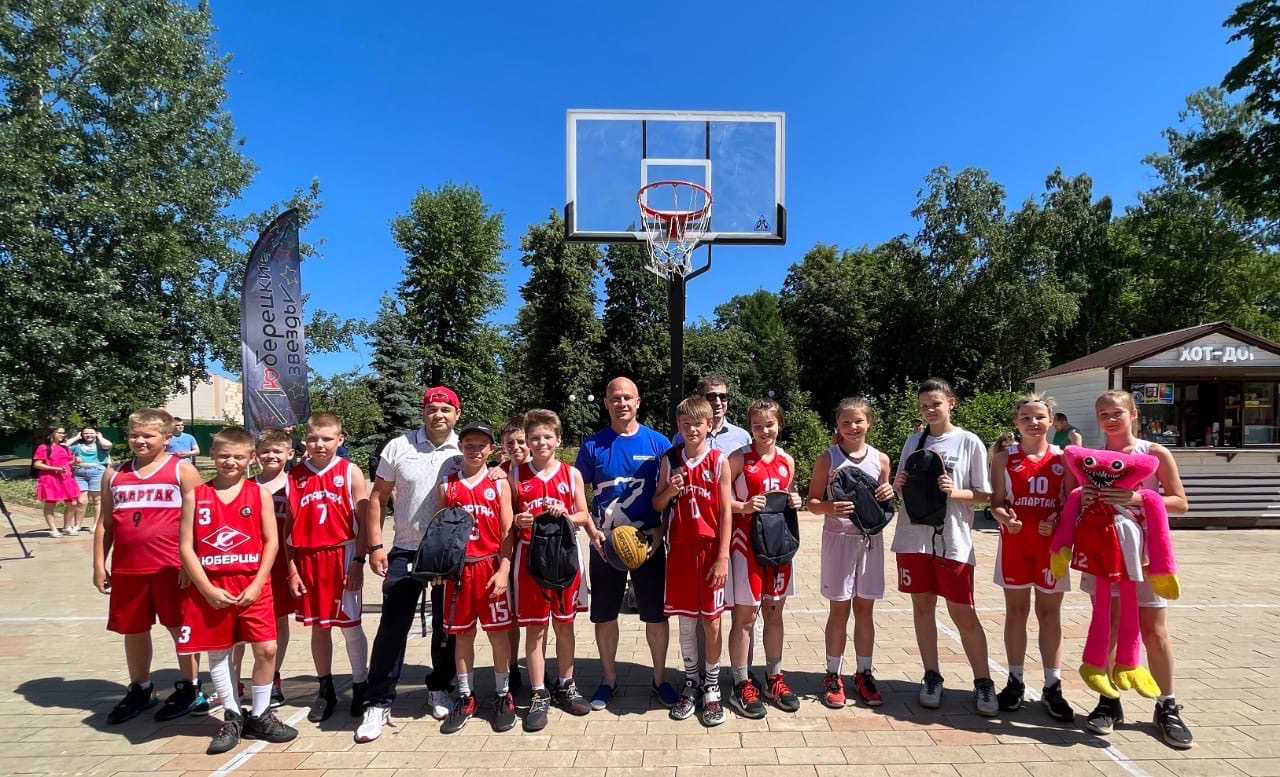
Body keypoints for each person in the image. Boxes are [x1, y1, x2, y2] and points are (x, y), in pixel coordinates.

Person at [1078, 390, 1193, 749]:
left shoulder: (1153, 453)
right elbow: (1075, 502)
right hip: (1106, 556)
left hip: (1147, 557)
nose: (1110, 419)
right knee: (1109, 627)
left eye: (1116, 412)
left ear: (1133, 414)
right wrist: (1085, 500)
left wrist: (1139, 497)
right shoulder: (1091, 458)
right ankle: (1109, 701)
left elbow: (1180, 503)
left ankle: (1167, 705)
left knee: (1154, 632)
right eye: (1103, 414)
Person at [178, 427, 297, 754]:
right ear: (212, 456)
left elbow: (272, 542)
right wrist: (205, 588)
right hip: (212, 586)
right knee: (219, 651)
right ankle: (232, 715)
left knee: (267, 648)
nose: (231, 462)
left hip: (252, 583)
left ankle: (260, 713)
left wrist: (258, 582)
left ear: (251, 458)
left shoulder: (258, 494)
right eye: (224, 456)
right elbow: (186, 547)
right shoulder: (195, 496)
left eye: (239, 457)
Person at [356, 387, 464, 743]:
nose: (439, 415)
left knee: (447, 626)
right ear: (423, 411)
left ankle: (439, 687)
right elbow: (378, 497)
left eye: (446, 409)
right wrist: (375, 546)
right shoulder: (399, 446)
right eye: (432, 408)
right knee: (392, 625)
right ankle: (378, 701)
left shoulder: (464, 448)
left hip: (447, 551)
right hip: (405, 547)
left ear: (457, 413)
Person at [94, 408, 209, 724]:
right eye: (134, 435)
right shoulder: (114, 474)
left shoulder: (181, 471)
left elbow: (202, 521)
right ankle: (141, 688)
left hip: (171, 567)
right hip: (128, 568)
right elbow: (105, 524)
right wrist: (99, 565)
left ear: (167, 438)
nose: (140, 440)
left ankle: (190, 686)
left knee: (180, 627)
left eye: (148, 435)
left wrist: (192, 563)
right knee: (133, 629)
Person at [891, 378, 998, 716]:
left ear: (952, 403)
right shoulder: (913, 441)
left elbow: (985, 495)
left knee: (962, 611)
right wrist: (899, 483)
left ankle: (983, 682)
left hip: (953, 541)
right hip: (914, 537)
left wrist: (956, 492)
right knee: (922, 607)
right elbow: (901, 486)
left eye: (936, 403)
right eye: (924, 405)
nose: (929, 409)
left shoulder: (968, 441)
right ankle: (931, 676)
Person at [574, 377, 676, 711]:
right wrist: (592, 531)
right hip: (606, 544)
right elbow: (575, 492)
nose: (622, 403)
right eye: (615, 398)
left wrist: (660, 533)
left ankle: (660, 679)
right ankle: (608, 680)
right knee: (605, 616)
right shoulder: (593, 445)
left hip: (647, 543)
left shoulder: (658, 443)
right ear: (606, 403)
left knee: (656, 616)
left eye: (627, 397)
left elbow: (670, 495)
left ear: (638, 401)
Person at [511, 409, 603, 731]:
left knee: (565, 626)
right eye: (535, 437)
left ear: (558, 440)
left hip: (564, 557)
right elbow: (507, 517)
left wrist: (566, 513)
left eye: (547, 436)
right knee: (535, 629)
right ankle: (539, 692)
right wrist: (518, 519)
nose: (541, 442)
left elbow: (583, 514)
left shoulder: (571, 473)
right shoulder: (515, 474)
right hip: (530, 559)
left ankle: (566, 684)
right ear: (527, 441)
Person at [988, 394, 1074, 723]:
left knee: (1050, 614)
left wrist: (1057, 522)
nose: (1033, 422)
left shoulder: (1065, 458)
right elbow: (996, 503)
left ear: (1051, 420)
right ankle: (1015, 681)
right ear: (1016, 422)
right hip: (1015, 545)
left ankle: (1053, 685)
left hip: (1051, 549)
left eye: (1039, 417)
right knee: (1016, 611)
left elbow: (1072, 505)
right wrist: (1004, 519)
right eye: (1025, 417)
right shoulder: (1003, 458)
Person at [808, 398, 893, 709]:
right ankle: (833, 674)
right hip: (839, 540)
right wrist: (829, 507)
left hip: (870, 541)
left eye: (858, 421)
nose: (852, 426)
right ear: (837, 425)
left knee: (865, 611)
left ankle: (864, 672)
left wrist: (889, 491)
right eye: (846, 422)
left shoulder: (881, 459)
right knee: (839, 610)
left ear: (869, 422)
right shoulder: (827, 459)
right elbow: (812, 502)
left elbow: (883, 500)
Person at [653, 395, 733, 727]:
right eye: (685, 423)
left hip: (711, 550)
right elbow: (657, 505)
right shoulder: (670, 460)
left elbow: (726, 512)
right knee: (686, 622)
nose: (691, 429)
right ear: (678, 425)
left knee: (712, 623)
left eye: (698, 423)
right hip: (681, 551)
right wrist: (670, 491)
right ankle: (691, 682)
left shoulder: (719, 460)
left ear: (709, 425)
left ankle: (712, 685)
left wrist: (723, 556)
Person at [285, 412, 370, 726]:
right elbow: (288, 527)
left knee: (350, 625)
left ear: (340, 439)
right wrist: (291, 569)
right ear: (305, 441)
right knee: (319, 627)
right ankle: (325, 688)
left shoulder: (349, 471)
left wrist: (359, 561)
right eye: (313, 439)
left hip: (343, 554)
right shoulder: (294, 476)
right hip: (308, 557)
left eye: (326, 438)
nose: (319, 444)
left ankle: (360, 684)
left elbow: (365, 522)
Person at [436, 421, 517, 734]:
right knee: (463, 636)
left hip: (489, 566)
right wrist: (439, 569)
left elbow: (507, 531)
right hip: (458, 572)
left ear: (491, 449)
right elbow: (439, 530)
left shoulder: (499, 484)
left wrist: (504, 569)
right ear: (460, 447)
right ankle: (466, 696)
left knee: (498, 635)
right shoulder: (447, 484)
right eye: (469, 445)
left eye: (481, 445)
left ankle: (503, 694)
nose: (475, 450)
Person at [725, 398, 803, 718]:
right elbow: (719, 500)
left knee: (774, 614)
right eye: (757, 425)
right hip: (746, 546)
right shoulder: (738, 458)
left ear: (779, 425)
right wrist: (743, 506)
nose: (764, 430)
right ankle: (740, 683)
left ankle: (774, 677)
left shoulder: (787, 460)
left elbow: (789, 494)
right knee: (745, 618)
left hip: (778, 545)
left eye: (769, 424)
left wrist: (796, 500)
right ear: (750, 428)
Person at [498, 415, 530, 690]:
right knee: (512, 615)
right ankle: (511, 665)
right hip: (510, 549)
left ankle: (539, 668)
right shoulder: (500, 473)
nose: (516, 447)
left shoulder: (543, 465)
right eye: (510, 443)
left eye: (521, 441)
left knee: (538, 617)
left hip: (539, 551)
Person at [32, 425, 81, 537]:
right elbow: (37, 464)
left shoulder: (65, 448)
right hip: (50, 480)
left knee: (72, 503)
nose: (62, 435)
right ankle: (53, 530)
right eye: (59, 432)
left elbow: (68, 463)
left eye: (63, 433)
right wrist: (55, 468)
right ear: (52, 433)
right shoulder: (44, 447)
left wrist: (75, 462)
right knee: (50, 505)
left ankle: (67, 527)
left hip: (66, 479)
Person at [70, 425, 113, 533]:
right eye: (85, 433)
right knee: (81, 500)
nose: (88, 435)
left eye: (91, 433)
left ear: (96, 434)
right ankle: (77, 525)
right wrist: (76, 437)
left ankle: (96, 525)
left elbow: (108, 445)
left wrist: (100, 437)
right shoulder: (78, 445)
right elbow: (64, 446)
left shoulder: (100, 444)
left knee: (97, 500)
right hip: (79, 472)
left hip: (97, 472)